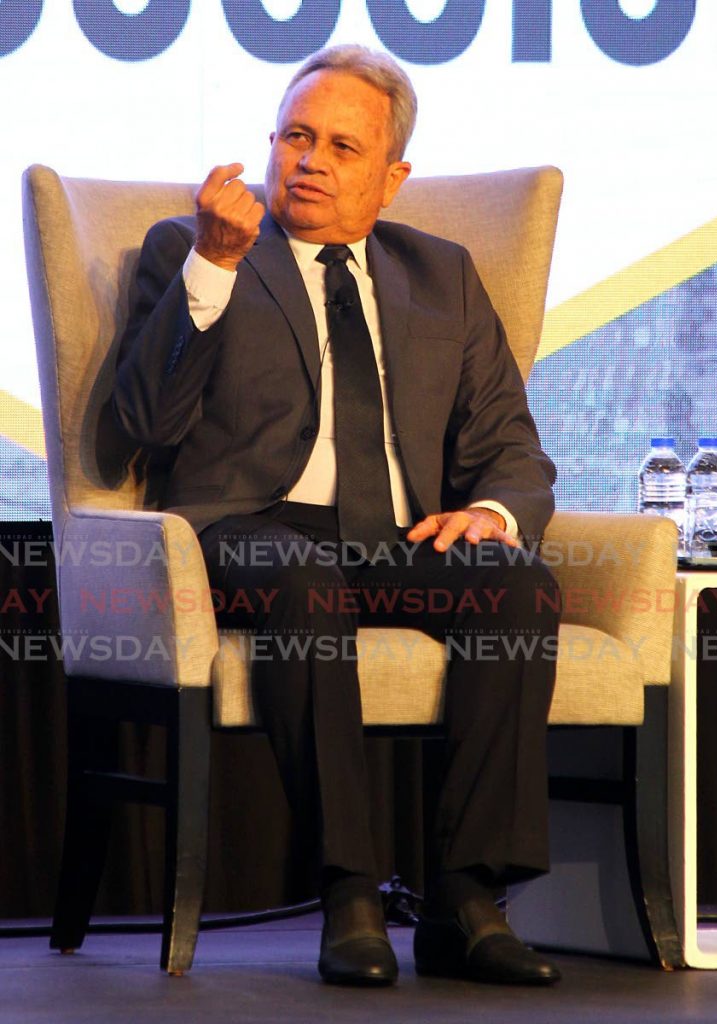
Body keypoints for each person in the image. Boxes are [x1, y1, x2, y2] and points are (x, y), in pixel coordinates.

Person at [111, 44, 561, 988]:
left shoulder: (444, 274)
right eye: (294, 136)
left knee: (514, 583)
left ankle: (467, 896)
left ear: (392, 178)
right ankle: (349, 888)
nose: (308, 160)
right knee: (306, 577)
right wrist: (213, 264)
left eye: (341, 147)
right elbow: (141, 427)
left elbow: (511, 448)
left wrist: (488, 511)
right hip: (249, 532)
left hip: (397, 541)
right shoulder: (194, 252)